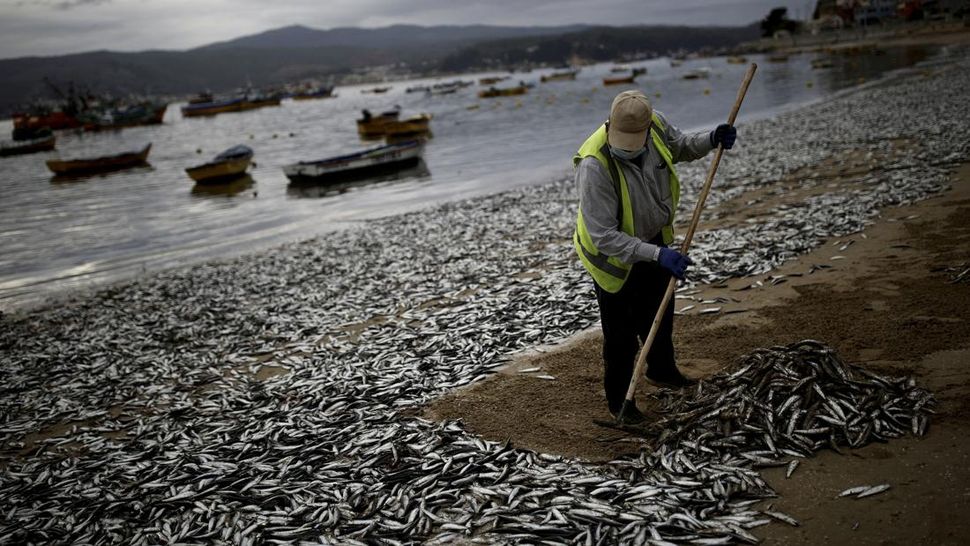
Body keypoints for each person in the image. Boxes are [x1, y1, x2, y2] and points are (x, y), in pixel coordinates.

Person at [573, 90, 736, 424]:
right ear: (609, 126)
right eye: (623, 142)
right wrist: (657, 254)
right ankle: (619, 403)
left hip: (653, 244)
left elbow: (679, 147)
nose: (629, 148)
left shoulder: (656, 124)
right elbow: (604, 236)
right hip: (613, 260)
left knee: (659, 312)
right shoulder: (595, 166)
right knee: (620, 337)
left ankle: (662, 371)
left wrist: (711, 139)